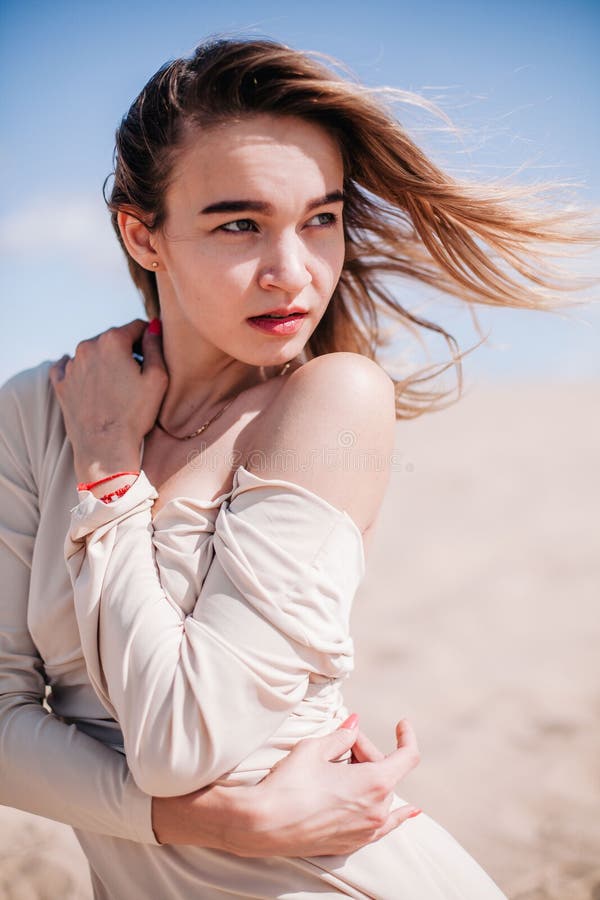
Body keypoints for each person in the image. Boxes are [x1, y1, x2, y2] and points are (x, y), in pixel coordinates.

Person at [1, 37, 595, 900]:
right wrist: (201, 821)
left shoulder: (333, 404)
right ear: (144, 234)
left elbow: (178, 743)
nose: (294, 273)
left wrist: (106, 468)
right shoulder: (32, 412)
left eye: (320, 219)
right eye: (240, 223)